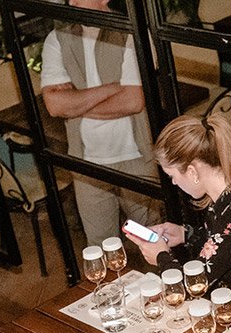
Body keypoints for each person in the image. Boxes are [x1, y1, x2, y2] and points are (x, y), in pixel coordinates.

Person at [128, 114, 231, 314]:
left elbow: (192, 287)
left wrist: (161, 256)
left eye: (172, 176)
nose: (173, 183)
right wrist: (186, 234)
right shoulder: (228, 197)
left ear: (192, 172)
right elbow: (226, 245)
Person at [40, 0, 158, 246]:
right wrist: (114, 88)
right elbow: (54, 106)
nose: (72, 2)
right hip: (86, 165)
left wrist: (75, 103)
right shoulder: (57, 39)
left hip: (136, 160)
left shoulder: (132, 31)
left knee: (151, 240)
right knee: (101, 248)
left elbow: (133, 101)